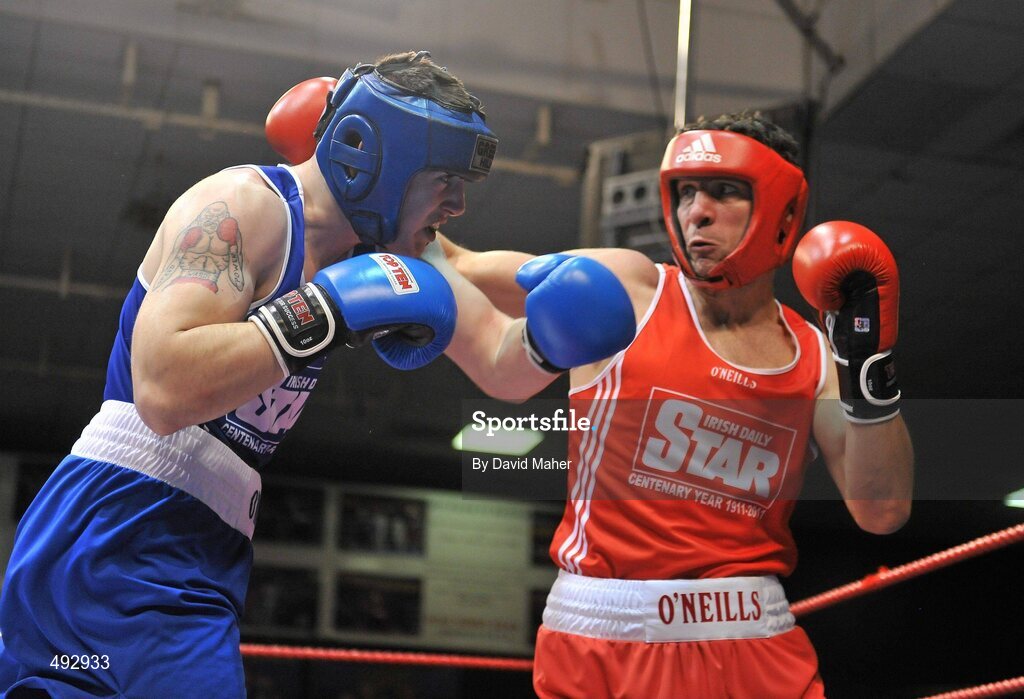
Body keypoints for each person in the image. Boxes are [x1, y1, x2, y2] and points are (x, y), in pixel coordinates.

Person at [0, 51, 635, 698]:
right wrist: (326, 310)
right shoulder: (242, 206)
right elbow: (163, 389)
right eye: (444, 178)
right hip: (116, 530)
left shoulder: (391, 251)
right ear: (374, 157)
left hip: (203, 545)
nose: (460, 203)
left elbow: (501, 362)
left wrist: (551, 337)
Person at [431, 112, 914, 698]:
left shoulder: (813, 354)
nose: (697, 212)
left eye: (725, 191)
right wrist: (371, 195)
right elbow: (460, 266)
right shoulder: (630, 289)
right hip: (602, 635)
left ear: (782, 212)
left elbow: (882, 511)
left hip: (750, 637)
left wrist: (867, 367)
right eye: (686, 193)